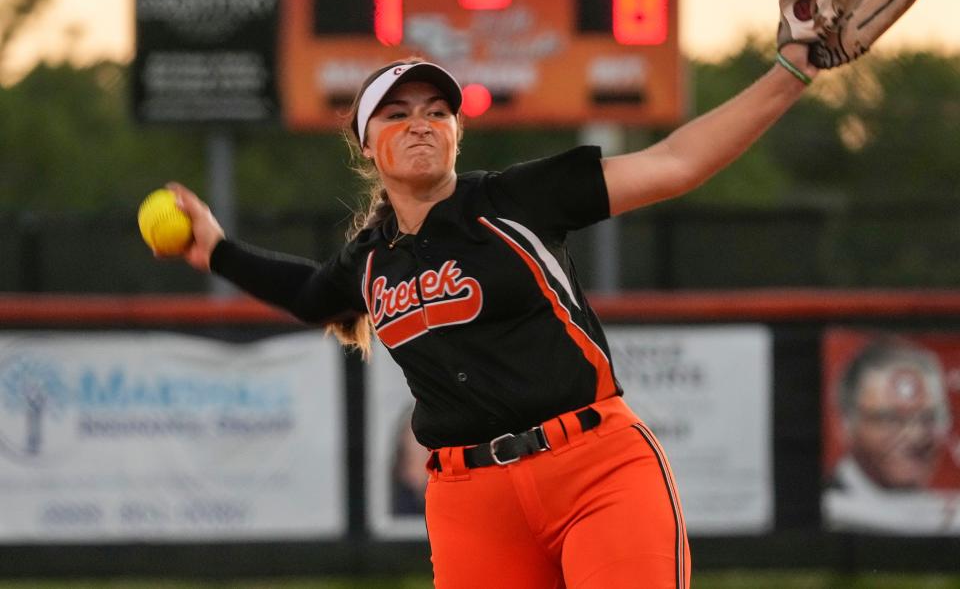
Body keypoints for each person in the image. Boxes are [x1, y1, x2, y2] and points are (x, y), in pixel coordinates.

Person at [164, 42, 819, 589]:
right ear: (365, 145)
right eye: (396, 114)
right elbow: (311, 294)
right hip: (470, 501)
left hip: (595, 467)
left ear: (457, 130)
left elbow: (677, 161)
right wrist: (217, 250)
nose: (421, 122)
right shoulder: (369, 261)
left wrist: (792, 68)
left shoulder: (516, 200)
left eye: (438, 110)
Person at [823, 335, 956, 533]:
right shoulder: (823, 506)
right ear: (846, 424)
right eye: (892, 419)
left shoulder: (938, 505)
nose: (916, 436)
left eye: (928, 418)